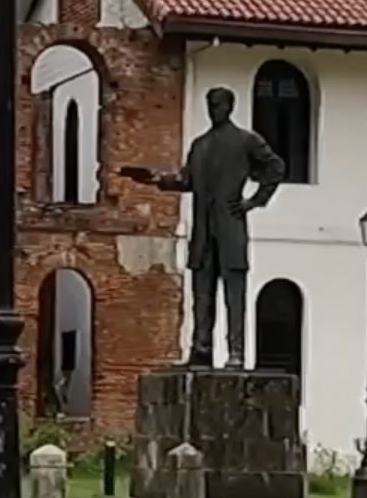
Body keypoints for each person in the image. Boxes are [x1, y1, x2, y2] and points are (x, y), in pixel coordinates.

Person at [119, 86, 286, 369]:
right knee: (202, 294)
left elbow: (276, 167)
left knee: (235, 296)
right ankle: (201, 349)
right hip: (203, 232)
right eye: (210, 104)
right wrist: (156, 178)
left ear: (229, 107)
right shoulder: (199, 145)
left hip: (230, 227)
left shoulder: (246, 141)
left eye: (218, 104)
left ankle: (236, 352)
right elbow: (187, 181)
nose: (214, 109)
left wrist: (254, 201)